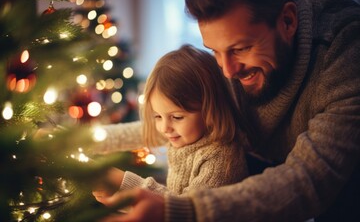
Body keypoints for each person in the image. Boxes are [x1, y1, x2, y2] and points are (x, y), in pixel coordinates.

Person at [96, 0, 360, 221]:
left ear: (288, 21)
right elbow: (167, 124)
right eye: (214, 51)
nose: (227, 72)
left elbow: (310, 180)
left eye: (240, 49)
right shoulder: (231, 66)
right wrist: (90, 140)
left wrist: (178, 210)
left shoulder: (346, 53)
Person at [92, 45, 248, 204]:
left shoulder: (220, 158)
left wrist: (124, 183)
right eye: (157, 116)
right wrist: (86, 140)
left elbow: (186, 209)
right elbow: (126, 135)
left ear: (210, 109)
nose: (164, 128)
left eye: (177, 117)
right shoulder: (182, 132)